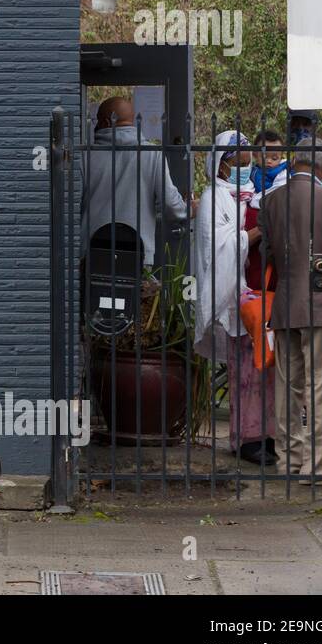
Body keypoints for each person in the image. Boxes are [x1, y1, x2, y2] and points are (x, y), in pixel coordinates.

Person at [194, 131, 275, 465]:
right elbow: (219, 248)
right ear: (222, 166)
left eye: (247, 162)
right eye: (237, 163)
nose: (244, 168)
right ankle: (246, 438)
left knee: (262, 372)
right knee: (244, 376)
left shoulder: (251, 196)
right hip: (232, 297)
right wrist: (254, 233)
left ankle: (267, 435)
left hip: (256, 296)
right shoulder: (214, 198)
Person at [258, 138, 322, 477]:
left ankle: (287, 459)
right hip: (319, 301)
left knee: (287, 385)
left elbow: (267, 252)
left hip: (285, 303)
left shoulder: (271, 200)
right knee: (319, 384)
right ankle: (314, 465)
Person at [82, 96, 190, 268]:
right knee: (132, 295)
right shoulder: (152, 154)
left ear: (104, 122)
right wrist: (189, 208)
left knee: (93, 294)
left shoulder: (84, 157)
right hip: (136, 255)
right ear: (132, 121)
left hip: (92, 253)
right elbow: (171, 206)